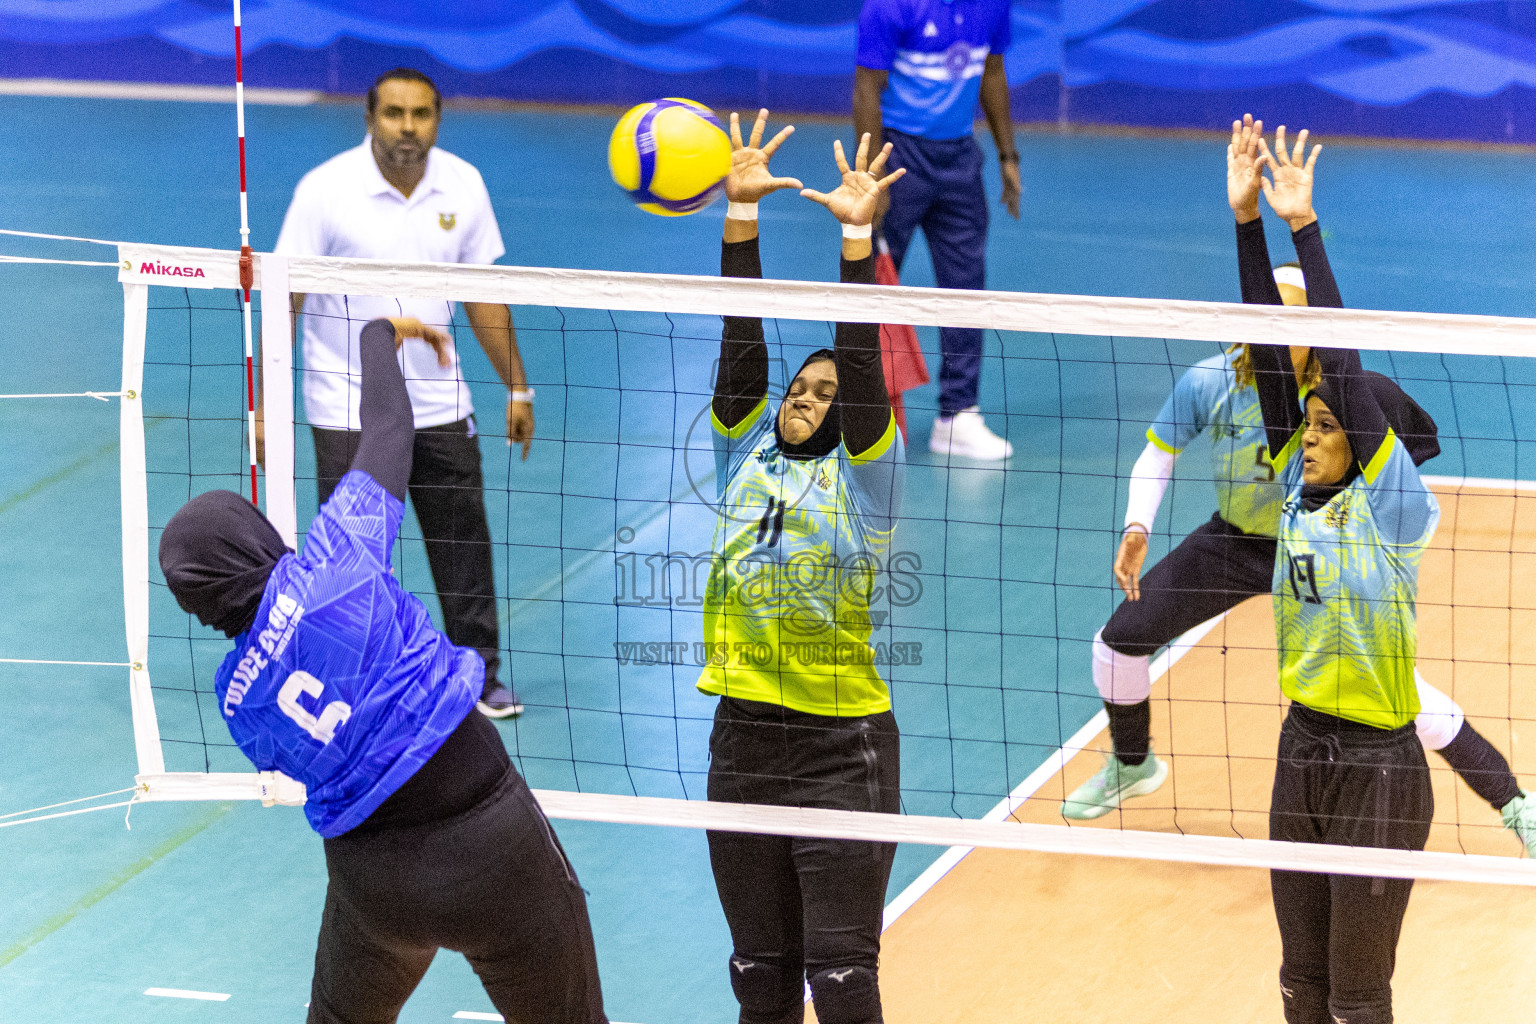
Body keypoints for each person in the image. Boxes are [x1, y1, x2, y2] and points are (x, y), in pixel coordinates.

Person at [1060, 115, 1536, 862]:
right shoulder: (1248, 395)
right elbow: (1253, 348)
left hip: (1327, 554)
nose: (1277, 332)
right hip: (1237, 540)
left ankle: (1514, 803)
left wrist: (1302, 225)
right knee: (1117, 641)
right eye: (1268, 322)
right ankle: (1131, 762)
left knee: (1409, 702)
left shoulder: (1352, 416)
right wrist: (1246, 218)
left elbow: (1342, 364)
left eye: (1293, 321)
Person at [158, 316, 604, 1024]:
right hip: (486, 843)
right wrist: (377, 333)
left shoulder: (235, 700)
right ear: (252, 535)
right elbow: (391, 426)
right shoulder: (336, 561)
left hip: (373, 885)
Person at [698, 110, 906, 1024]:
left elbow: (858, 365)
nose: (805, 398)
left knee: (843, 981)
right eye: (798, 386)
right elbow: (741, 346)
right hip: (741, 740)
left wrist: (855, 240)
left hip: (841, 748)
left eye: (822, 394)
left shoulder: (868, 476)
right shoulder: (744, 450)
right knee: (760, 977)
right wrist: (739, 219)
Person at [272, 67, 529, 718]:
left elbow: (482, 293)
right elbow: (286, 299)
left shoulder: (463, 184)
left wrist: (517, 387)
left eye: (420, 114)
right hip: (346, 405)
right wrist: (264, 402)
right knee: (350, 555)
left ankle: (480, 675)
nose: (407, 127)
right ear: (370, 117)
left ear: (437, 119)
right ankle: (349, 682)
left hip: (440, 402)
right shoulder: (324, 191)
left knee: (462, 544)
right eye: (394, 113)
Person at [854, 0, 1019, 462]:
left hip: (960, 160)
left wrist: (1008, 156)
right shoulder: (889, 7)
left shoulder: (994, 6)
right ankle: (857, 406)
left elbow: (991, 72)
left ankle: (958, 416)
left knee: (966, 287)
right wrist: (872, 175)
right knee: (868, 287)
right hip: (898, 154)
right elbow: (867, 88)